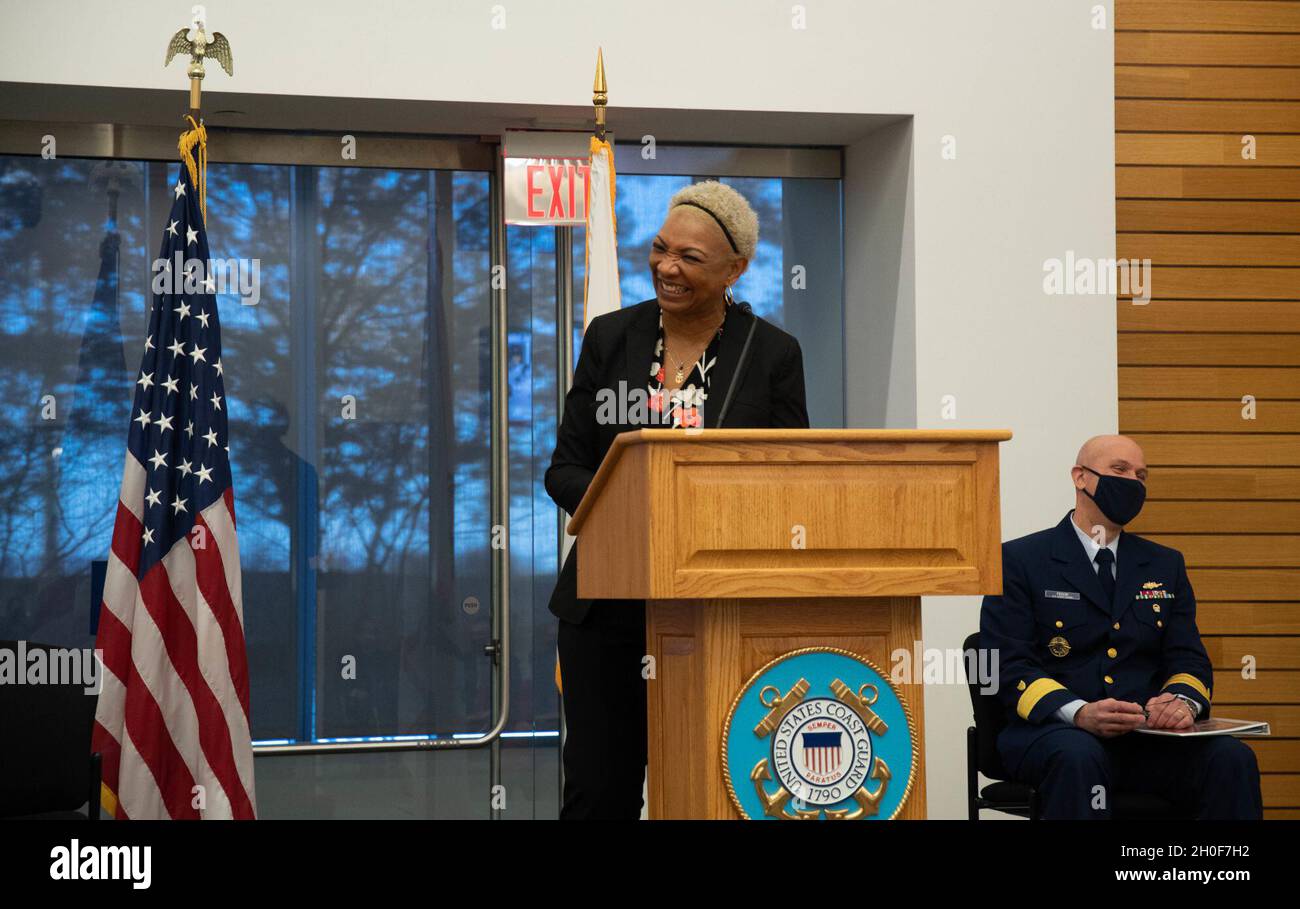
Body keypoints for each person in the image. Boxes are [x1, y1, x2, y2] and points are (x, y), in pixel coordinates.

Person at [545, 180, 810, 819]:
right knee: (598, 791)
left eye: (690, 258)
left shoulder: (771, 352)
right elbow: (564, 469)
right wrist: (640, 504)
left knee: (711, 787)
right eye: (661, 249)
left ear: (735, 269)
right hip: (606, 605)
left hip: (719, 607)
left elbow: (790, 476)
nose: (667, 267)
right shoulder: (610, 338)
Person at [979, 434, 1262, 819]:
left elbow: (1188, 658)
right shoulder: (1019, 560)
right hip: (1053, 735)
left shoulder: (1164, 565)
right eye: (1119, 470)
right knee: (1080, 756)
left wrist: (1180, 702)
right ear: (1081, 477)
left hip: (1145, 740)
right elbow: (1005, 666)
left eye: (1141, 475)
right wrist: (1079, 712)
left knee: (1231, 759)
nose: (1132, 482)